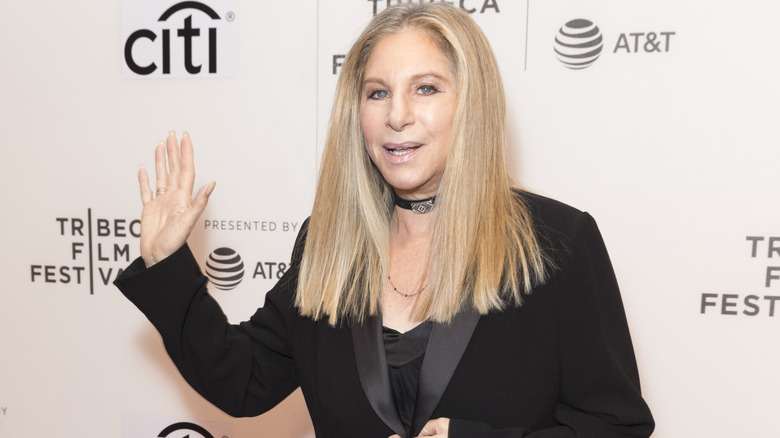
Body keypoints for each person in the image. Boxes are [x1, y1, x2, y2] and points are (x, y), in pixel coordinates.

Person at [115, 4, 654, 438]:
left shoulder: (556, 243)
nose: (397, 115)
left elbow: (616, 426)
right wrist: (166, 264)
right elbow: (243, 382)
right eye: (377, 92)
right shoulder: (329, 244)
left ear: (472, 103)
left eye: (426, 88)